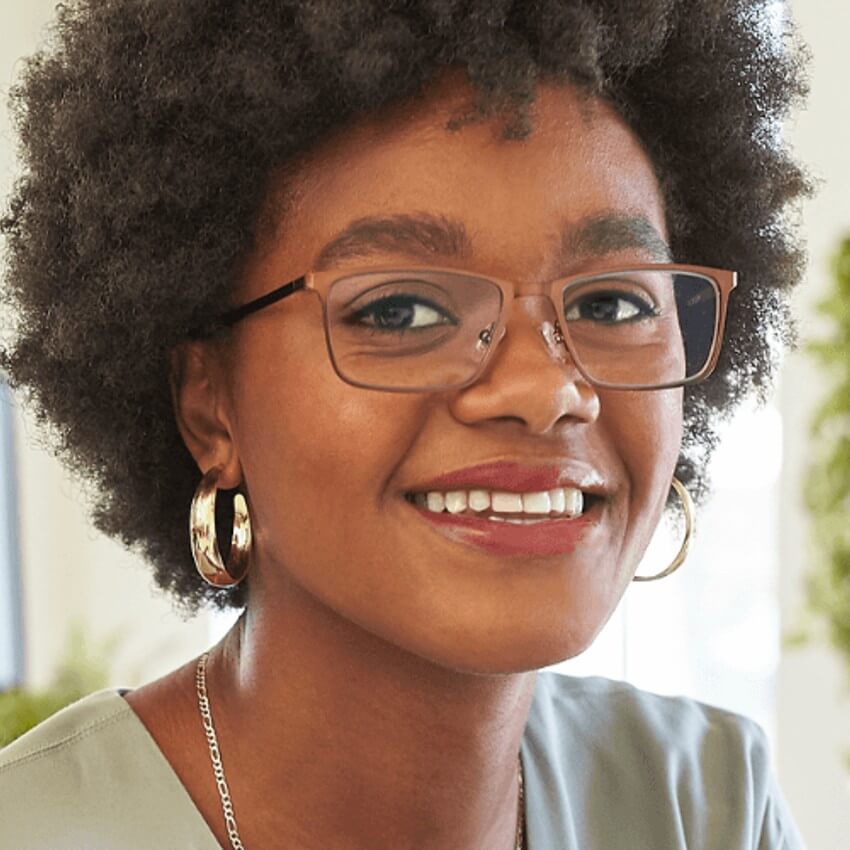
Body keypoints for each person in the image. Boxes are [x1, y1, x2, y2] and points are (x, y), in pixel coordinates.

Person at [0, 1, 812, 848]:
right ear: (209, 403)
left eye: (613, 301)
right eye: (400, 311)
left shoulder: (709, 805)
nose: (544, 392)